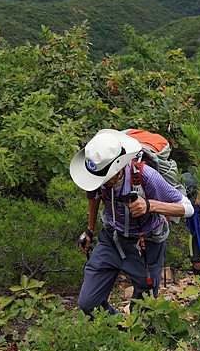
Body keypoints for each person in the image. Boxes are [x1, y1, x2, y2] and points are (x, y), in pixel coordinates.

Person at [70, 128, 193, 314]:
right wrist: (90, 229)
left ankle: (140, 330)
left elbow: (187, 208)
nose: (99, 182)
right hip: (111, 239)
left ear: (118, 168)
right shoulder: (97, 176)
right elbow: (93, 195)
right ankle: (118, 327)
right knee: (88, 303)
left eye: (105, 178)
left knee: (144, 308)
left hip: (147, 244)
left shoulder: (145, 175)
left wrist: (149, 205)